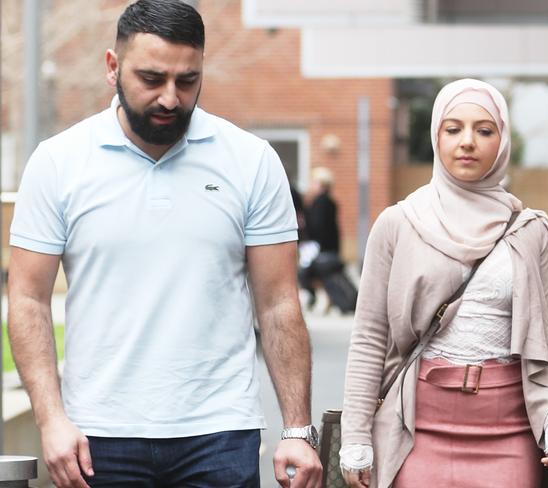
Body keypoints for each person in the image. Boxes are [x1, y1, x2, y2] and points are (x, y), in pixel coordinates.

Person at [7, 1, 321, 487]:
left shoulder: (251, 161)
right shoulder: (58, 163)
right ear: (112, 67)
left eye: (187, 80)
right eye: (151, 79)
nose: (170, 98)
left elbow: (279, 304)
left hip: (220, 432)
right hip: (97, 434)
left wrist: (297, 428)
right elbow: (27, 300)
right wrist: (51, 419)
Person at [339, 79, 548, 488]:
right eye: (453, 129)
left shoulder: (530, 230)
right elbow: (368, 337)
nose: (467, 142)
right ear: (436, 136)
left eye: (484, 130)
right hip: (415, 429)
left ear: (502, 140)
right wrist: (355, 436)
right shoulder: (398, 224)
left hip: (509, 430)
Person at [298, 167, 341, 307]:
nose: (311, 185)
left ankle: (312, 296)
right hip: (327, 247)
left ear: (321, 184)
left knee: (304, 272)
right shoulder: (328, 201)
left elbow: (317, 226)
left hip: (319, 247)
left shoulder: (320, 202)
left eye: (314, 182)